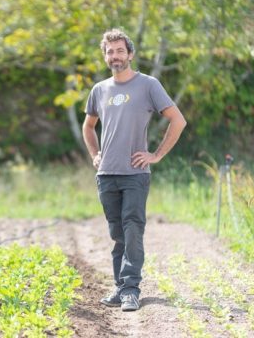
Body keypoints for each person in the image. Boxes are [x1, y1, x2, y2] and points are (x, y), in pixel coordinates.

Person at [82, 29, 186, 312]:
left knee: (132, 230)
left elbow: (177, 120)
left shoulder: (148, 85)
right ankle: (119, 286)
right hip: (106, 175)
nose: (114, 56)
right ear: (105, 56)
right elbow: (88, 126)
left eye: (119, 51)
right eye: (109, 52)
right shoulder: (99, 90)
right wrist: (95, 154)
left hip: (135, 174)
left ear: (130, 54)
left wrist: (156, 155)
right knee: (117, 232)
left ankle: (131, 289)